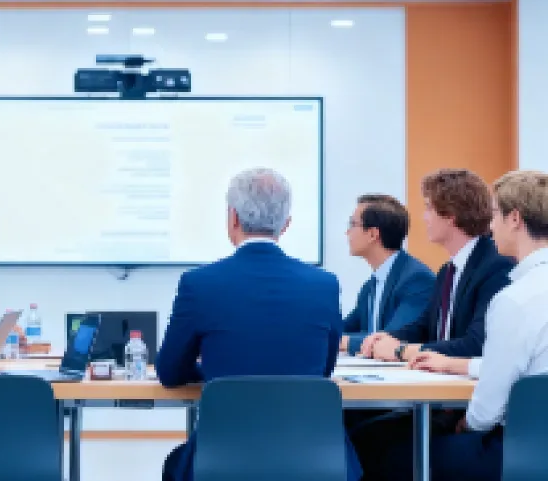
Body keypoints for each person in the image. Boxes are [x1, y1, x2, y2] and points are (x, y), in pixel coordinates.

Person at [156, 167, 361, 481]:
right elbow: (323, 370)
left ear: (233, 218)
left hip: (221, 460)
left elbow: (170, 373)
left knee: (176, 464)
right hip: (313, 458)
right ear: (286, 224)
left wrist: (212, 373)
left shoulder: (199, 283)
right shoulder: (324, 285)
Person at [371, 170, 548, 481]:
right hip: (536, 445)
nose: (490, 225)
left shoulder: (514, 299)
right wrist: (459, 365)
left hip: (513, 451)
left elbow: (485, 412)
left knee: (389, 456)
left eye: (496, 214)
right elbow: (521, 365)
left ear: (515, 219)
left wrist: (466, 423)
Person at [360, 168, 515, 363]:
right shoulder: (447, 271)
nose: (424, 217)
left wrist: (401, 351)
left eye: (429, 208)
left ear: (450, 216)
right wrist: (389, 337)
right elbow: (425, 326)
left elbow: (476, 344)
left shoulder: (495, 266)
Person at [341, 194, 435, 355]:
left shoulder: (417, 279)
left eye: (353, 224)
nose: (347, 232)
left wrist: (341, 341)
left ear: (372, 234)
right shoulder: (370, 286)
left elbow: (392, 339)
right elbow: (345, 327)